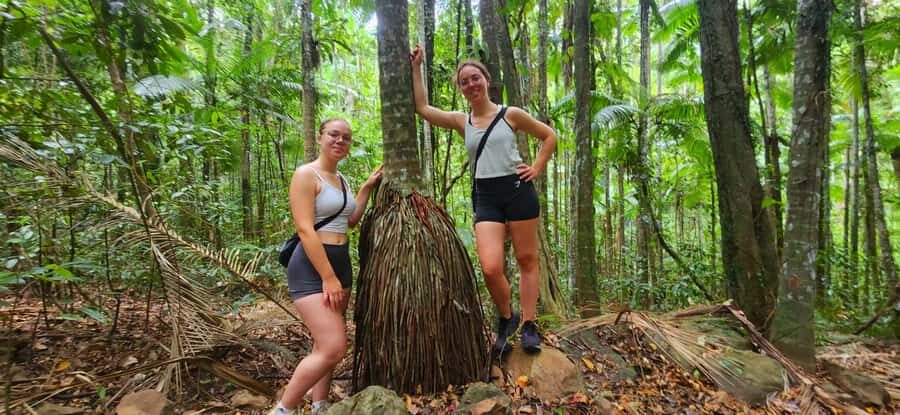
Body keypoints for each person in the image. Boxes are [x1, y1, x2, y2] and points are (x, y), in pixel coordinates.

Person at [410, 46, 556, 354]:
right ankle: (507, 317)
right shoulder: (462, 121)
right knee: (490, 267)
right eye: (464, 82)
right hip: (486, 195)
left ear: (486, 80)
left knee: (527, 259)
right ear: (461, 90)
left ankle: (529, 324)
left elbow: (549, 136)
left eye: (475, 78)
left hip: (518, 190)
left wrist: (537, 168)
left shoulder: (510, 114)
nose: (471, 85)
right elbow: (422, 108)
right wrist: (416, 68)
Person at [269, 118, 382, 415]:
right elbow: (305, 229)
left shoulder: (341, 180)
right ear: (320, 137)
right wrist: (328, 277)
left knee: (323, 346)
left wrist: (367, 187)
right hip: (311, 267)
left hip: (340, 262)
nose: (340, 141)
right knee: (334, 347)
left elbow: (350, 220)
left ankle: (320, 406)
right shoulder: (306, 175)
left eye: (346, 137)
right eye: (334, 134)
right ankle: (283, 409)